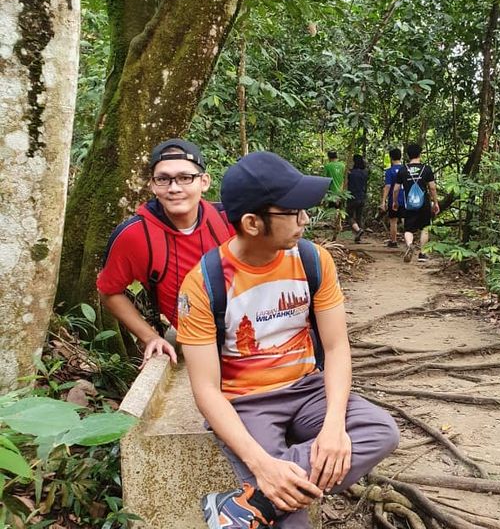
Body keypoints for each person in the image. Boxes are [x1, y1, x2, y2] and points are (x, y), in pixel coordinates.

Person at [177, 152, 399, 529]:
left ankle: (247, 505)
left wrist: (332, 426)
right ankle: (269, 496)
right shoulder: (205, 283)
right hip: (247, 402)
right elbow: (206, 390)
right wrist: (263, 465)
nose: (305, 220)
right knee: (291, 516)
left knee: (380, 431)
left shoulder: (313, 261)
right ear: (251, 223)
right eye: (294, 212)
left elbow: (336, 346)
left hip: (307, 387)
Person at [96, 139, 233, 365]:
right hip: (198, 342)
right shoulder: (135, 235)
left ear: (204, 182)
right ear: (152, 185)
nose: (174, 188)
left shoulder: (229, 220)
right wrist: (149, 336)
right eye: (163, 179)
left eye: (185, 178)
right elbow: (108, 290)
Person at [392, 143, 439, 263]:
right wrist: (436, 203)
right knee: (424, 228)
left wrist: (395, 202)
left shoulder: (403, 170)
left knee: (408, 229)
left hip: (409, 204)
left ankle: (409, 245)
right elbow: (432, 188)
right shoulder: (426, 169)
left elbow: (396, 189)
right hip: (424, 203)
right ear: (420, 154)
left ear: (408, 155)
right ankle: (423, 254)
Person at [380, 147, 405, 248]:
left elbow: (387, 186)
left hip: (393, 200)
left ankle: (393, 241)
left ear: (391, 158)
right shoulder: (406, 169)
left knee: (393, 220)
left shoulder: (390, 171)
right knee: (405, 220)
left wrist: (383, 201)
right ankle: (408, 241)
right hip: (405, 199)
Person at [346, 154, 368, 243]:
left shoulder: (350, 173)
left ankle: (358, 230)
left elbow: (347, 183)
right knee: (359, 217)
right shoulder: (365, 173)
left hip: (352, 196)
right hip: (362, 196)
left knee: (349, 216)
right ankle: (358, 237)